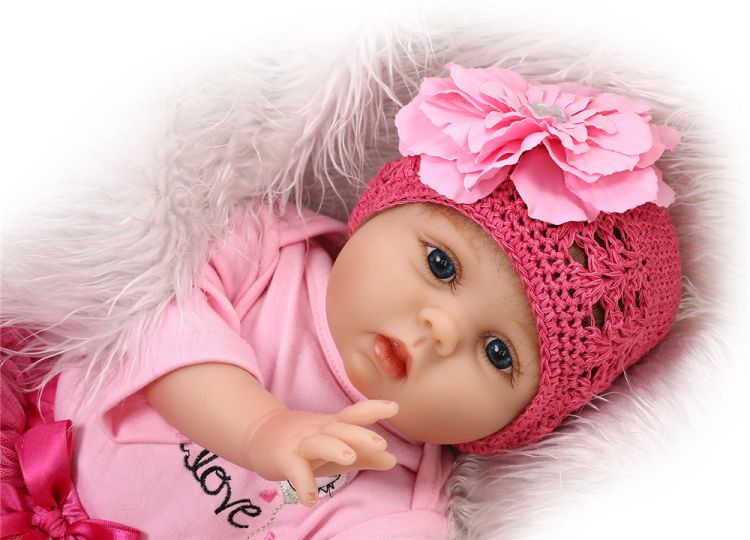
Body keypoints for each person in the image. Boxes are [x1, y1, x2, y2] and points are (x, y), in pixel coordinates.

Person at [1, 63, 682, 539]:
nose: (441, 328)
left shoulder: (393, 499)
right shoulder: (264, 253)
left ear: (521, 424)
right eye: (440, 264)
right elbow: (154, 319)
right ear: (380, 210)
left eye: (499, 352)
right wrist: (260, 430)